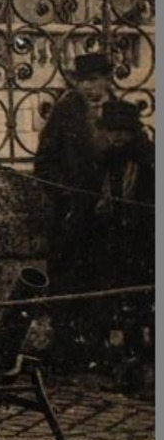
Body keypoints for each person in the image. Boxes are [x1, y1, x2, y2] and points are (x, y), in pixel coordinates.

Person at [33, 51, 115, 369]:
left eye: (99, 80)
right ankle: (65, 346)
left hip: (107, 215)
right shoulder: (65, 111)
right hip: (72, 212)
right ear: (76, 82)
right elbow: (44, 163)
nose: (93, 87)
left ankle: (97, 346)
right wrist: (66, 192)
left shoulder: (115, 111)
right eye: (86, 81)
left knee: (103, 277)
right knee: (67, 276)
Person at [90, 99, 153, 384]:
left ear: (132, 132)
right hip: (114, 241)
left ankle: (143, 359)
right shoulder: (106, 162)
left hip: (143, 242)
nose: (116, 137)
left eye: (122, 131)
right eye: (111, 131)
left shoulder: (147, 162)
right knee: (117, 301)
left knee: (142, 303)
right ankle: (126, 358)